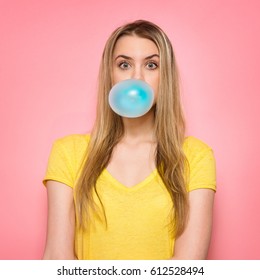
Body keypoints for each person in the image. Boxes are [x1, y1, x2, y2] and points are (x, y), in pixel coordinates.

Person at [42, 20, 216, 260]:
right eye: (124, 65)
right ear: (111, 75)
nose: (137, 77)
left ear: (165, 77)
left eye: (152, 65)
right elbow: (56, 259)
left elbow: (188, 265)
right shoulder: (68, 152)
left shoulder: (196, 156)